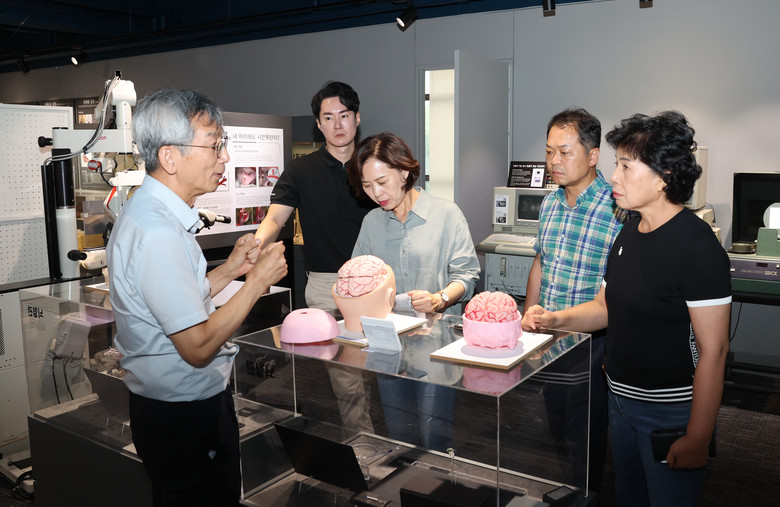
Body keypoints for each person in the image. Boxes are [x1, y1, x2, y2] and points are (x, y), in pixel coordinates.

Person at [525, 111, 731, 506]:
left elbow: (715, 350)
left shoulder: (697, 246)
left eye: (625, 166)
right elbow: (604, 307)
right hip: (621, 401)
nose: (614, 177)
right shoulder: (630, 233)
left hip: (667, 410)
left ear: (663, 176)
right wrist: (554, 318)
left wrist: (698, 436)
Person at [107, 89, 288, 506]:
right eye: (214, 145)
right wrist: (257, 281)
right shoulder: (160, 234)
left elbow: (177, 302)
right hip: (184, 417)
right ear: (170, 157)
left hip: (171, 412)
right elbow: (197, 345)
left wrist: (231, 270)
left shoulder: (150, 216)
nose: (225, 157)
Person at [254, 81, 377, 435]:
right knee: (347, 379)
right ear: (318, 124)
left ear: (357, 119)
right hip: (327, 286)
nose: (338, 124)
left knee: (376, 372)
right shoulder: (301, 170)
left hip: (375, 284)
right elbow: (275, 218)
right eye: (328, 117)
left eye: (344, 115)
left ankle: (374, 439)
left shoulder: (372, 167)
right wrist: (256, 245)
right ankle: (363, 444)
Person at [348, 132, 480, 449]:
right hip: (388, 350)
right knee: (400, 441)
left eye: (382, 182)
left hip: (436, 350)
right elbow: (358, 278)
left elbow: (467, 275)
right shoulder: (372, 223)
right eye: (367, 186)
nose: (376, 193)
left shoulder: (446, 215)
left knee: (436, 444)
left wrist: (440, 298)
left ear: (405, 172)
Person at [521, 108, 628, 493]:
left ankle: (586, 495)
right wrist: (527, 318)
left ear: (593, 155)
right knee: (555, 428)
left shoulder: (618, 209)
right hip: (549, 338)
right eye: (549, 152)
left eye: (565, 152)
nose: (554, 161)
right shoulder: (550, 203)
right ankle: (567, 490)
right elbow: (541, 261)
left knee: (584, 436)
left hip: (591, 342)